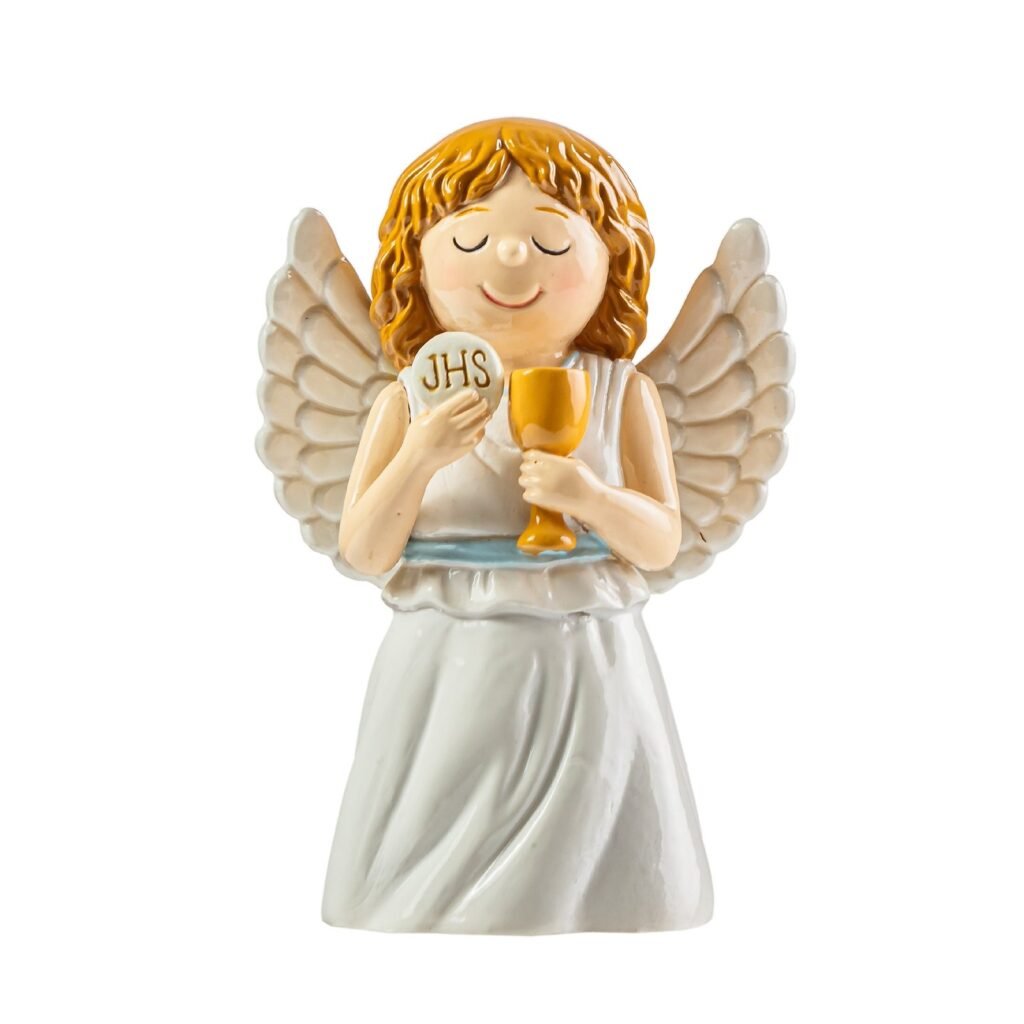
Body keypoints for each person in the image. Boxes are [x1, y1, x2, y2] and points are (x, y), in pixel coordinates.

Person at [321, 119, 713, 933]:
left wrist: (592, 497)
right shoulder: (407, 400)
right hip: (444, 666)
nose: (509, 257)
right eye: (470, 240)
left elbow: (661, 543)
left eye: (550, 240)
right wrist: (420, 456)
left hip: (588, 661)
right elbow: (362, 550)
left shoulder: (621, 395)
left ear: (611, 261)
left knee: (592, 851)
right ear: (415, 264)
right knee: (426, 864)